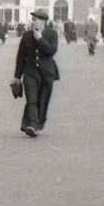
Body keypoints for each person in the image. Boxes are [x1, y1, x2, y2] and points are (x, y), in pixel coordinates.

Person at [14, 9, 60, 138]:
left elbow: (52, 50)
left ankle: (39, 123)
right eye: (32, 20)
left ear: (43, 22)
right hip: (30, 73)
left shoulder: (52, 34)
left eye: (35, 20)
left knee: (43, 101)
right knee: (31, 100)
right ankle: (32, 126)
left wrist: (40, 40)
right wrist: (17, 77)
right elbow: (21, 57)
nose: (33, 22)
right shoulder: (27, 36)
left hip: (47, 74)